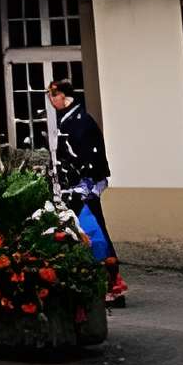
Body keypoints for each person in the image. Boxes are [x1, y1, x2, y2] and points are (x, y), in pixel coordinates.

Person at [46, 78, 125, 305]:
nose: (52, 101)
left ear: (64, 96)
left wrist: (87, 182)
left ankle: (111, 284)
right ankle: (89, 280)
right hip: (70, 186)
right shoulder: (67, 120)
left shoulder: (81, 121)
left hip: (83, 186)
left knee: (94, 230)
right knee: (83, 231)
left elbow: (91, 155)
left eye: (54, 96)